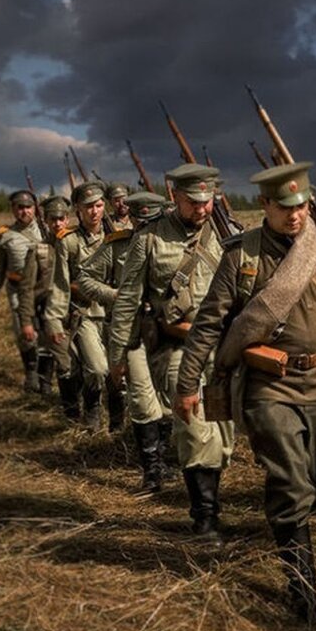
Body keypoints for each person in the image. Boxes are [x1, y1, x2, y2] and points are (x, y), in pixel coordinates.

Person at [175, 162, 316, 621]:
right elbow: (209, 325)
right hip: (268, 388)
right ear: (265, 205)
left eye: (301, 206)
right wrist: (187, 384)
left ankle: (285, 519)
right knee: (292, 483)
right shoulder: (242, 256)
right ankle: (303, 590)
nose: (294, 216)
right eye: (284, 207)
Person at [108, 164, 234, 540]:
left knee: (222, 435)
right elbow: (128, 300)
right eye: (193, 201)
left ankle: (209, 496)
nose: (201, 209)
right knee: (195, 428)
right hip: (176, 349)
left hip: (222, 351)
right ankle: (205, 519)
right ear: (174, 196)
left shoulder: (228, 235)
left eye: (207, 201)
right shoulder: (149, 239)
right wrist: (118, 355)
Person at [77, 191, 171, 494]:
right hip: (132, 332)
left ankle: (169, 458)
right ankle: (152, 470)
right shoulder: (116, 246)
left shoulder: (174, 247)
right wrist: (118, 296)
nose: (144, 227)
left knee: (168, 400)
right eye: (138, 220)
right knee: (142, 399)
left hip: (168, 334)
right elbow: (85, 278)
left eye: (151, 220)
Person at [45, 181, 112, 428]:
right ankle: (92, 406)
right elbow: (61, 285)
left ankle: (118, 422)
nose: (94, 211)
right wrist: (54, 321)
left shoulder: (117, 236)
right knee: (97, 369)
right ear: (78, 210)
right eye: (88, 207)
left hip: (117, 314)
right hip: (86, 313)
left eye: (99, 205)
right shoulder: (69, 242)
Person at [0, 189, 44, 391]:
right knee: (24, 332)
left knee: (46, 331)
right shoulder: (6, 236)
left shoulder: (47, 232)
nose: (24, 211)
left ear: (35, 209)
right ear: (13, 209)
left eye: (28, 207)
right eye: (20, 207)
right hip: (18, 289)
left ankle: (46, 376)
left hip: (43, 289)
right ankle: (31, 373)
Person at [17, 195, 72, 398]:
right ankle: (51, 393)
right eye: (52, 219)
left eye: (61, 219)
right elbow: (26, 289)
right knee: (60, 357)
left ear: (68, 219)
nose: (57, 223)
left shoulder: (76, 246)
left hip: (73, 313)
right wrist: (26, 321)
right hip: (46, 312)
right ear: (46, 221)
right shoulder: (39, 250)